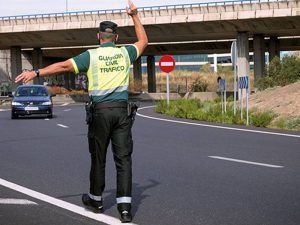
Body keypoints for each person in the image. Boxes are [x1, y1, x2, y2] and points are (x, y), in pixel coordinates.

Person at [15, 1, 148, 223]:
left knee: (98, 157)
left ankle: (96, 200)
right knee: (123, 159)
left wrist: (37, 71)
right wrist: (135, 16)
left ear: (98, 37)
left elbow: (63, 66)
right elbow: (144, 40)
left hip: (100, 113)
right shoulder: (125, 53)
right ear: (115, 37)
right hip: (121, 113)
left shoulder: (91, 56)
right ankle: (125, 208)